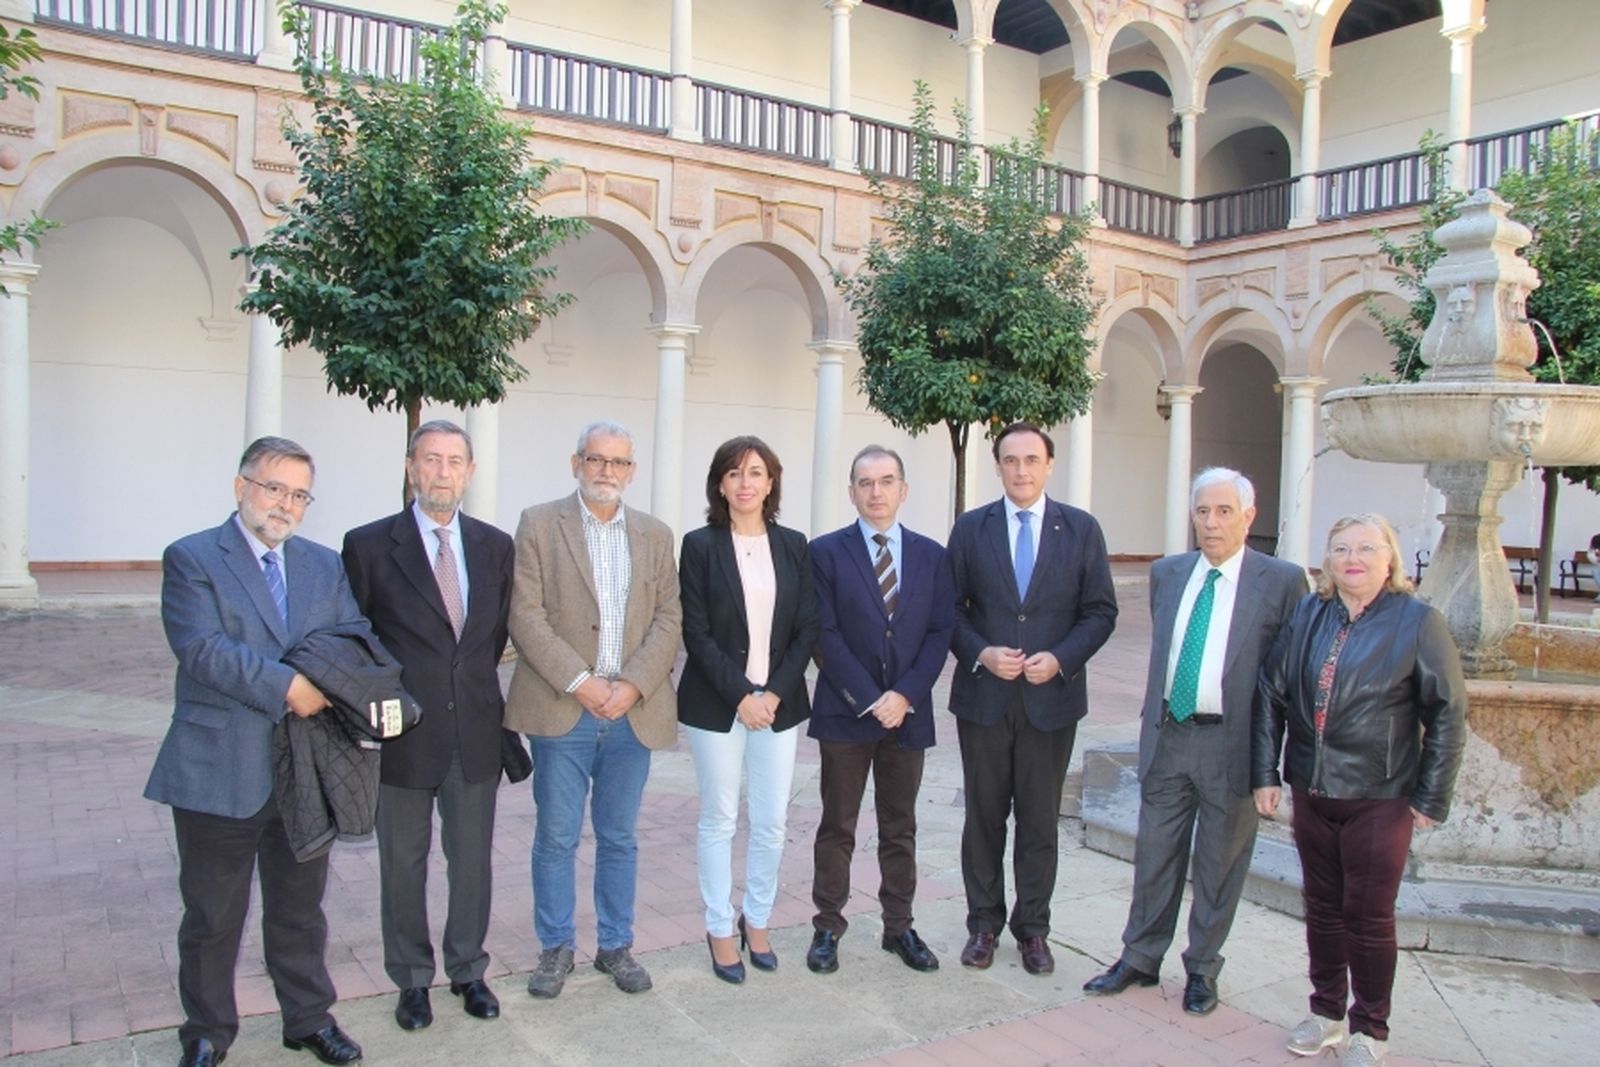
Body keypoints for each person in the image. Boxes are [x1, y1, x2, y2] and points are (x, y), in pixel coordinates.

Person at [144, 436, 367, 1067]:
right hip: (219, 767)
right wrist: (290, 684)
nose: (285, 504)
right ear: (241, 487)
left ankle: (307, 1019)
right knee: (213, 916)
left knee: (301, 912)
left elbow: (349, 640)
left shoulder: (324, 565)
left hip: (306, 767)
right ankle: (208, 1032)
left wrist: (331, 680)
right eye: (274, 488)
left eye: (299, 494)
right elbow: (202, 649)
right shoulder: (192, 558)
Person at [1084, 468, 1307, 1014]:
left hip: (1232, 745)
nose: (1211, 523)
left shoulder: (1280, 581)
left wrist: (1272, 767)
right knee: (1154, 854)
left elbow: (1288, 679)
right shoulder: (1169, 573)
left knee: (1219, 863)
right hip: (1168, 735)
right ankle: (1139, 956)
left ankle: (1203, 970)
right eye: (1203, 511)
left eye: (1224, 511)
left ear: (1249, 517)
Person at [1254, 513, 1467, 1067]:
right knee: (1322, 909)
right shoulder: (1309, 613)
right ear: (1328, 560)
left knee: (1369, 915)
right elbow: (1271, 693)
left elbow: (1447, 711)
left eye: (1367, 548)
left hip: (1380, 795)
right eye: (1342, 547)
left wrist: (1431, 795)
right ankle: (1326, 1014)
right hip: (1314, 793)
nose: (1354, 558)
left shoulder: (1418, 621)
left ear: (1389, 558)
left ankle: (1370, 1027)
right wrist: (1265, 773)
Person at [341, 420, 514, 1031]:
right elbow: (356, 639)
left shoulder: (495, 546)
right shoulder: (367, 546)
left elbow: (488, 640)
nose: (443, 471)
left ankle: (468, 969)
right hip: (403, 734)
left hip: (474, 731)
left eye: (454, 461)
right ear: (411, 468)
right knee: (403, 863)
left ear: (469, 471)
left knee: (472, 861)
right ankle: (411, 979)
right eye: (431, 459)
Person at [504, 421, 682, 998]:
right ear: (576, 462)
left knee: (619, 836)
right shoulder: (538, 523)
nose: (607, 471)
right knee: (556, 837)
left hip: (631, 712)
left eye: (619, 462)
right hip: (564, 707)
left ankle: (615, 946)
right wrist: (582, 683)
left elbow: (668, 620)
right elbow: (525, 616)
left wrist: (630, 685)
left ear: (631, 471)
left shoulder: (655, 535)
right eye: (596, 459)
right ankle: (555, 948)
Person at [947, 421, 1117, 975]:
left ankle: (1033, 930)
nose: (1021, 470)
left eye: (1031, 460)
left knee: (1040, 821)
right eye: (1010, 460)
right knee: (984, 817)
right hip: (984, 698)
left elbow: (1100, 611)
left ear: (1049, 465)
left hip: (1052, 701)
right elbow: (949, 611)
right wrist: (981, 653)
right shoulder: (972, 529)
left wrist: (1063, 658)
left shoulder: (1082, 529)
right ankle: (983, 925)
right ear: (997, 466)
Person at [805, 446, 955, 975]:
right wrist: (871, 699)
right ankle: (827, 926)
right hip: (848, 713)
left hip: (907, 714)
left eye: (886, 481)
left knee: (900, 826)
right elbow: (823, 634)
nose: (876, 491)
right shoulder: (824, 553)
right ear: (851, 492)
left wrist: (905, 695)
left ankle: (899, 927)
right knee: (837, 825)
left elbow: (941, 633)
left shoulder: (933, 556)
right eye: (865, 483)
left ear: (903, 490)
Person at [678, 436, 819, 983]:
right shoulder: (699, 545)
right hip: (717, 704)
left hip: (777, 704)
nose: (745, 483)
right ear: (720, 483)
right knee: (718, 818)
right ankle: (718, 927)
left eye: (756, 473)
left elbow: (806, 628)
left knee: (771, 820)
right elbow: (697, 631)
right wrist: (742, 695)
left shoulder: (794, 545)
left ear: (771, 482)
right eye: (734, 474)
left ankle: (755, 920)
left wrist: (774, 694)